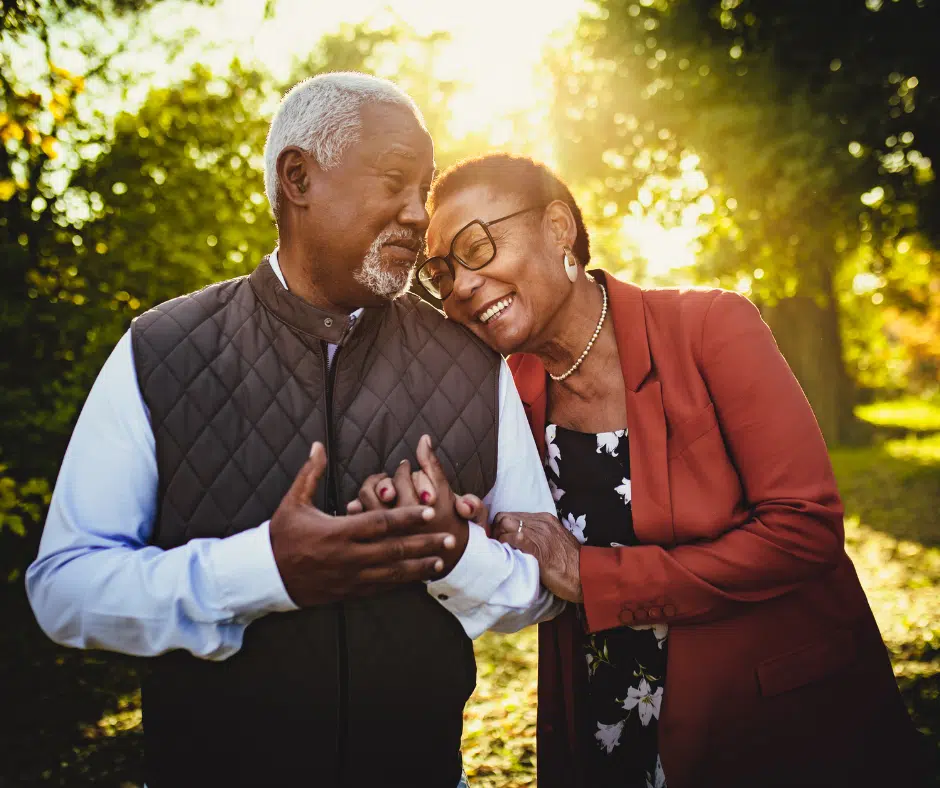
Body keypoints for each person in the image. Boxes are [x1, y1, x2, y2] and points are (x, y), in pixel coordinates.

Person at [25, 77, 563, 788]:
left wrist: (454, 552)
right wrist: (264, 572)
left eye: (424, 189)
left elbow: (542, 587)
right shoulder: (161, 350)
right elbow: (64, 591)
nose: (417, 214)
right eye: (397, 181)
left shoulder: (472, 364)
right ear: (299, 178)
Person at [397, 153, 925, 788]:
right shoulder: (507, 391)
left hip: (766, 718)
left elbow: (804, 528)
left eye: (476, 247)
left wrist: (592, 576)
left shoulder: (711, 327)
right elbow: (515, 543)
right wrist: (468, 525)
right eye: (441, 272)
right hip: (606, 712)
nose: (459, 284)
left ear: (559, 228)